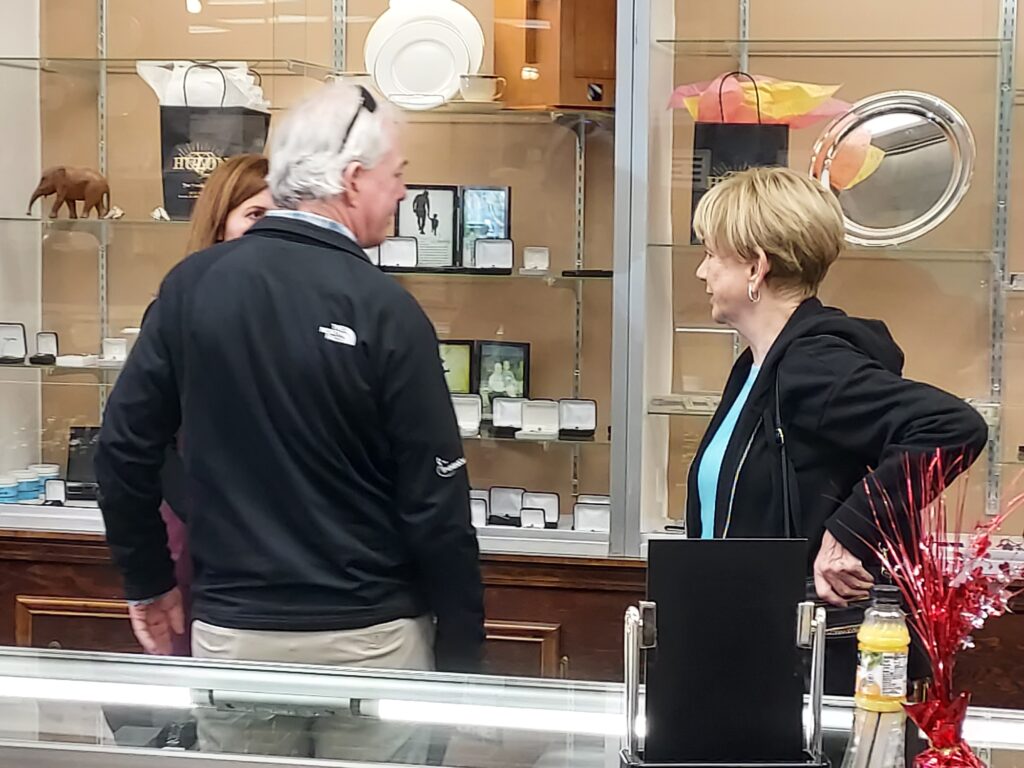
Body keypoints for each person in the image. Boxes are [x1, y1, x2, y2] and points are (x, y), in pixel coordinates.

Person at [95, 83, 484, 758]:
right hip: (371, 643)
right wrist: (463, 651)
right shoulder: (386, 309)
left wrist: (147, 581)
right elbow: (436, 500)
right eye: (397, 176)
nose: (402, 193)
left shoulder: (192, 288)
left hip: (236, 640)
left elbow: (122, 450)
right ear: (353, 181)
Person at [686, 166, 988, 693]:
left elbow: (951, 426)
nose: (701, 271)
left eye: (712, 254)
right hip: (750, 644)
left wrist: (851, 529)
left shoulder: (810, 364)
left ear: (756, 267)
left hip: (808, 666)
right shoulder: (758, 367)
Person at [155, 154, 273, 658]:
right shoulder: (183, 305)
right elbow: (146, 436)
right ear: (219, 223)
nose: (269, 231)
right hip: (200, 528)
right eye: (255, 215)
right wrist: (203, 512)